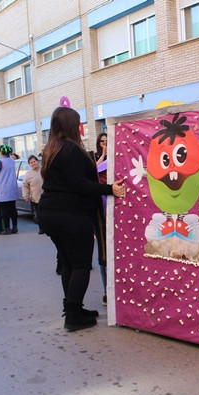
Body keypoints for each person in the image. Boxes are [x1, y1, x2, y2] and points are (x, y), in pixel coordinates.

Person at [38, 107, 125, 332]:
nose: (81, 127)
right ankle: (74, 316)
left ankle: (73, 308)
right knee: (80, 265)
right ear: (71, 125)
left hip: (50, 213)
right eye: (78, 123)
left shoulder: (52, 149)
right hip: (70, 216)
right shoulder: (71, 150)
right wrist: (109, 189)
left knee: (68, 263)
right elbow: (79, 184)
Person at [94, 132, 108, 306]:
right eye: (102, 141)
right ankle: (106, 291)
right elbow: (92, 173)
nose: (105, 143)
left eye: (107, 140)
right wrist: (103, 156)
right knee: (104, 254)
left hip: (115, 212)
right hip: (100, 214)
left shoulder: (119, 157)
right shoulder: (94, 159)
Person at [22, 155, 44, 233]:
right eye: (31, 163)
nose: (33, 163)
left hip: (46, 196)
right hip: (36, 198)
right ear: (29, 164)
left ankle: (49, 228)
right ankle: (42, 228)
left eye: (34, 161)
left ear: (37, 161)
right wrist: (26, 196)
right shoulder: (28, 174)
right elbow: (25, 186)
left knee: (47, 213)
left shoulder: (44, 170)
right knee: (39, 214)